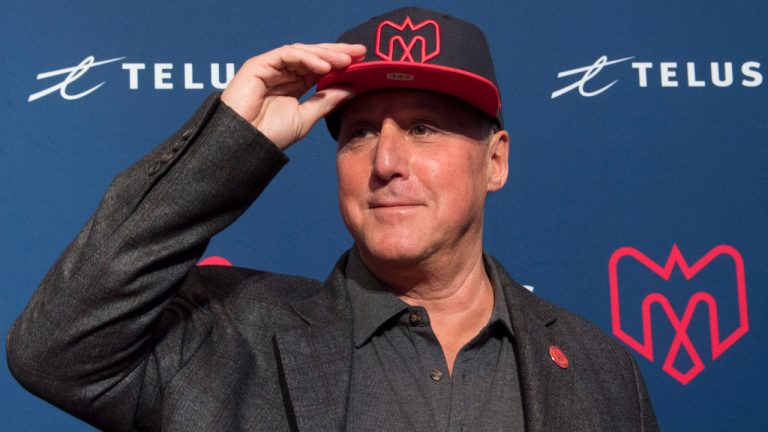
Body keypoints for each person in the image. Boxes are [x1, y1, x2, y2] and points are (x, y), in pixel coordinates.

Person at [7, 6, 658, 432]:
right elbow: (54, 352)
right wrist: (228, 142)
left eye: (424, 129)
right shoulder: (225, 340)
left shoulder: (602, 373)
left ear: (495, 161)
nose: (386, 162)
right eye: (359, 134)